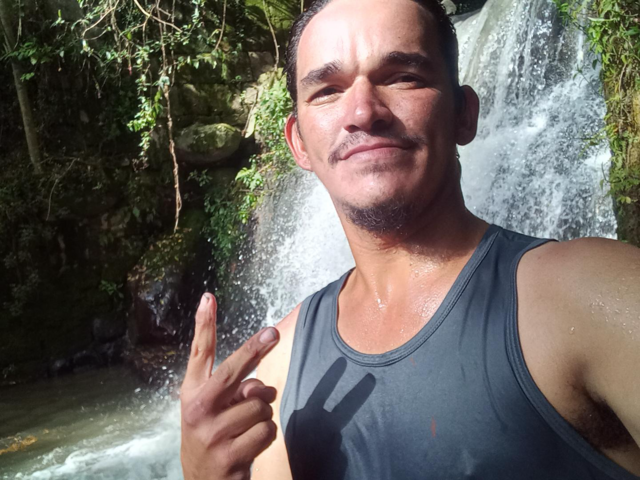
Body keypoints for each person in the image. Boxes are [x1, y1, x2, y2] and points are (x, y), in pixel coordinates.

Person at [179, 0, 640, 478]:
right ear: (298, 143)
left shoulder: (588, 295)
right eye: (328, 91)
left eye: (403, 77)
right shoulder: (282, 361)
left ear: (463, 114)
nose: (363, 112)